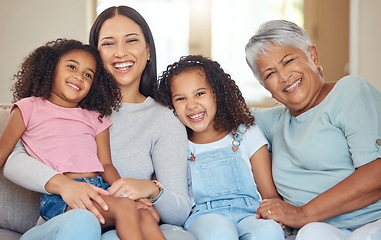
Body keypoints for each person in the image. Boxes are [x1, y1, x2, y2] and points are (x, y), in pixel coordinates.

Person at [3, 6, 194, 240]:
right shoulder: (67, 104)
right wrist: (63, 185)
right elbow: (12, 160)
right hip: (64, 221)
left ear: (147, 51)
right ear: (95, 54)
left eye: (131, 40)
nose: (120, 53)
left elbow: (179, 211)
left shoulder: (162, 119)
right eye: (108, 43)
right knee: (88, 221)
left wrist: (150, 190)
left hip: (116, 213)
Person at [244, 19, 381, 240]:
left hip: (372, 223)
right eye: (269, 74)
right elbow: (213, 110)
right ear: (264, 87)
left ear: (313, 56)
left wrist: (302, 213)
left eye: (288, 61)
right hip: (316, 229)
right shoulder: (272, 122)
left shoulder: (350, 92)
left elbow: (376, 173)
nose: (283, 76)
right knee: (310, 234)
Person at [157, 55, 285, 240]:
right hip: (203, 219)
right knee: (221, 230)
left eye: (200, 94)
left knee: (269, 231)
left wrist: (274, 215)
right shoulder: (177, 144)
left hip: (250, 214)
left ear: (216, 93)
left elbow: (270, 195)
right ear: (171, 105)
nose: (192, 105)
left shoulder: (246, 134)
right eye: (181, 98)